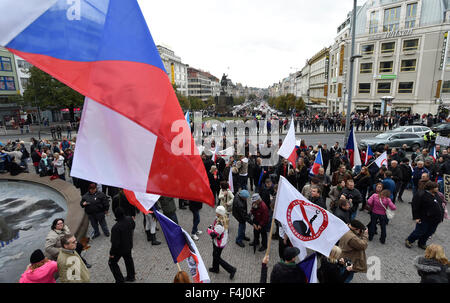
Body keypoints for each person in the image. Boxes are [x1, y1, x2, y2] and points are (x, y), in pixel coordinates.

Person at [406, 182, 445, 249]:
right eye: (436, 187)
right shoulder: (421, 194)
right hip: (425, 218)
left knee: (429, 232)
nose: (438, 188)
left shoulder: (436, 194)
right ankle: (409, 240)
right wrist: (416, 217)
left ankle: (422, 243)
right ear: (431, 188)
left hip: (435, 219)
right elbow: (415, 206)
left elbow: (440, 204)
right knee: (419, 231)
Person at [207, 206, 237, 280]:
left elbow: (213, 234)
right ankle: (215, 268)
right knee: (215, 255)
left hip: (219, 244)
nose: (215, 213)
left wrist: (208, 229)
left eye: (217, 212)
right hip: (219, 242)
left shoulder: (220, 224)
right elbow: (215, 228)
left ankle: (231, 269)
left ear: (219, 214)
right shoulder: (222, 219)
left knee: (217, 258)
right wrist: (212, 227)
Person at [109, 207, 136, 283]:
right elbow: (133, 226)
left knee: (112, 263)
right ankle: (131, 276)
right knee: (128, 260)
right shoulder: (129, 219)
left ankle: (120, 280)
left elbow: (115, 243)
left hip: (119, 249)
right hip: (128, 245)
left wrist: (112, 253)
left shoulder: (116, 227)